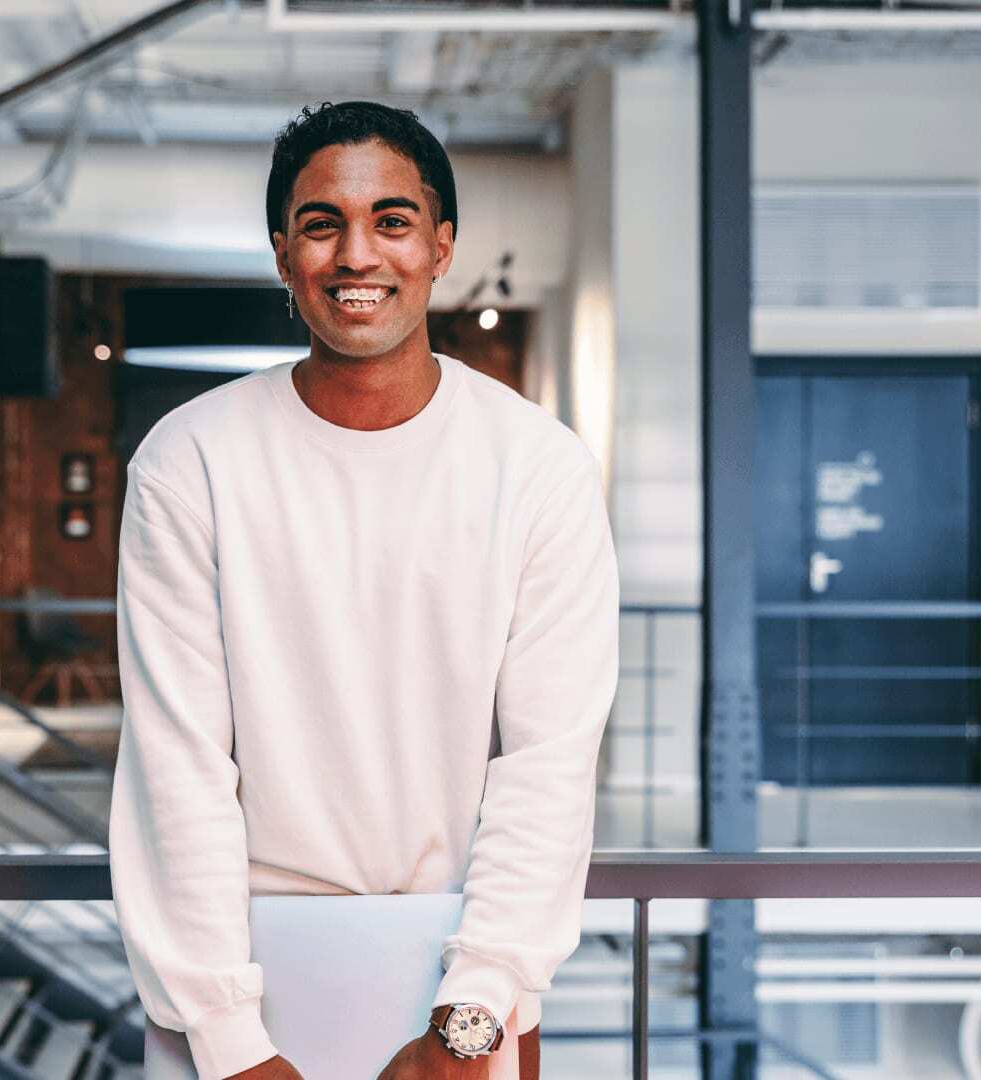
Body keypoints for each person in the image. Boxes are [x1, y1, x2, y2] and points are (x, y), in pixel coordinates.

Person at [109, 100, 620, 1080]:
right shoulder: (190, 460)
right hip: (243, 968)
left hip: (463, 981)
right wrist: (226, 1037)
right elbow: (178, 765)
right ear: (281, 253)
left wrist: (474, 1017)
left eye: (390, 220)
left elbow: (548, 764)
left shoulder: (538, 467)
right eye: (319, 224)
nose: (356, 255)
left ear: (440, 245)